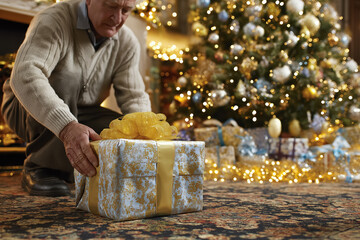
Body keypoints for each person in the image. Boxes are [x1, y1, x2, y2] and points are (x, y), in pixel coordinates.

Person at [1, 0, 151, 197]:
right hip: (23, 107)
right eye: (111, 6)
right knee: (65, 79)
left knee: (121, 127)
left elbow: (133, 97)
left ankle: (73, 169)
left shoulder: (127, 42)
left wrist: (147, 138)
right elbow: (25, 75)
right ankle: (39, 166)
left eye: (125, 10)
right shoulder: (54, 20)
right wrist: (67, 127)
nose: (117, 18)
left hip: (82, 112)